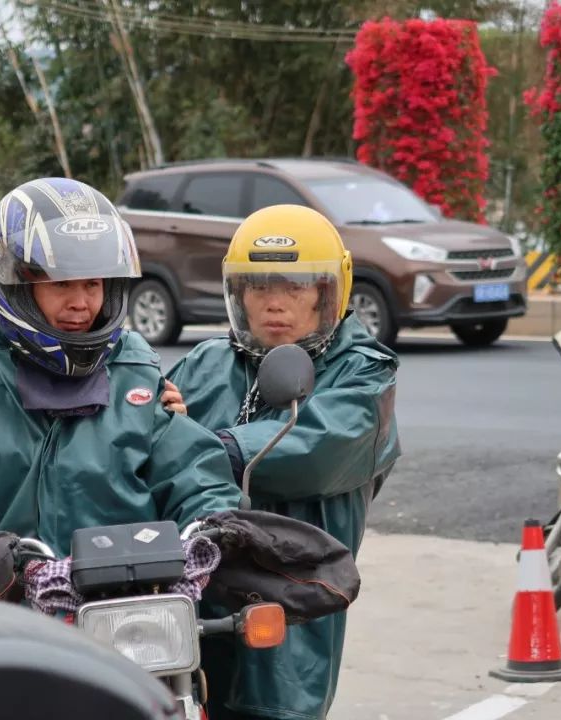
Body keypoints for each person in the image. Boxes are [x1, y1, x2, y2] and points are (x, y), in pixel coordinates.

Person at [0, 178, 240, 573]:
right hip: (0, 597)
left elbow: (194, 473)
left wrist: (214, 522)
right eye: (61, 284)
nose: (80, 302)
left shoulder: (134, 372)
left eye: (93, 284)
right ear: (15, 287)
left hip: (133, 594)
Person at [165, 204, 401, 720]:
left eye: (295, 287)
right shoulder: (208, 361)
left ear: (326, 292)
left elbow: (321, 448)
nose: (275, 303)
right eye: (258, 286)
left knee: (276, 707)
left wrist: (201, 444)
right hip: (192, 591)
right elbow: (149, 437)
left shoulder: (363, 372)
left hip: (289, 597)